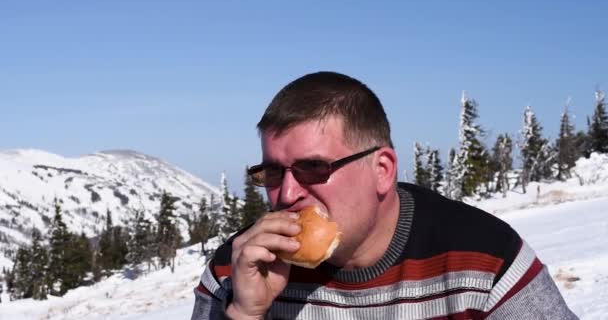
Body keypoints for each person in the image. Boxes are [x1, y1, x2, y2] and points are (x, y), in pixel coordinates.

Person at [191, 72, 577, 319]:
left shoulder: (482, 259)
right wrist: (244, 312)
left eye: (314, 168)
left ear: (382, 170)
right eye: (274, 172)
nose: (287, 193)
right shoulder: (239, 267)